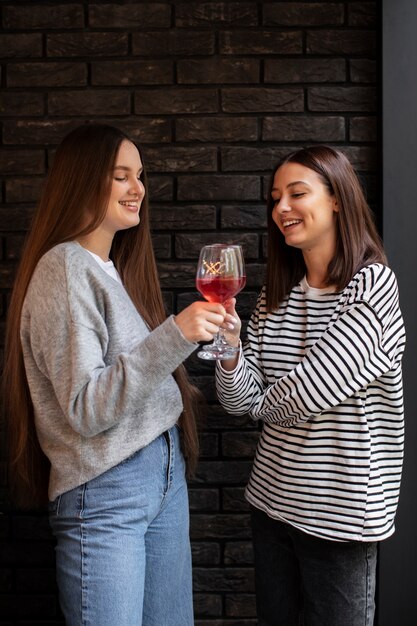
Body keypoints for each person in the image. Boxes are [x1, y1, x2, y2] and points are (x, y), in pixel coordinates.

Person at [3, 123, 231, 626]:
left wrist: (207, 343)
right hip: (107, 489)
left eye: (140, 176)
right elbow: (87, 407)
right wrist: (176, 335)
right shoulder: (64, 267)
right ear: (83, 180)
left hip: (163, 479)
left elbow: (135, 380)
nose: (139, 189)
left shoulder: (110, 269)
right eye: (121, 175)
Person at [215, 145, 405, 626]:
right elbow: (236, 399)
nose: (281, 208)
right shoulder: (273, 296)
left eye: (297, 193)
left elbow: (310, 392)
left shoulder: (373, 286)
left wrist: (262, 401)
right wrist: (232, 347)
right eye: (275, 197)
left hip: (340, 516)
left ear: (338, 198)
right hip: (271, 503)